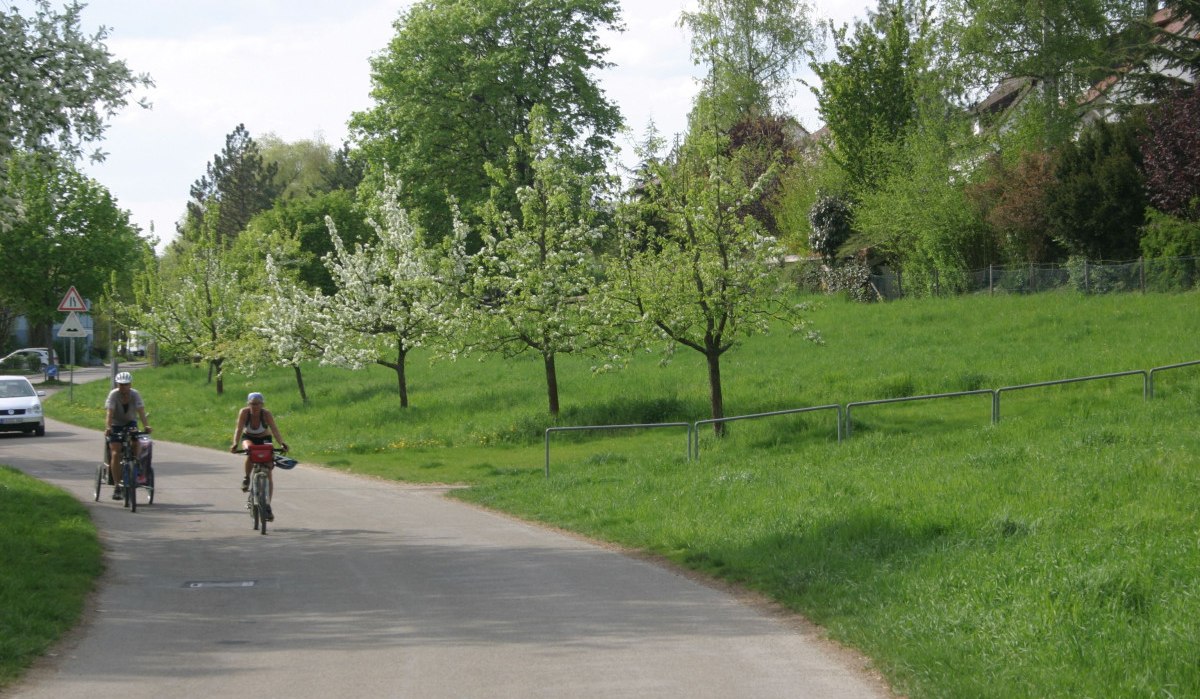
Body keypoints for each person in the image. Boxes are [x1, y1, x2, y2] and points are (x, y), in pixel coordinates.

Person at [230, 392, 288, 519]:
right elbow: (239, 429)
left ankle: (267, 505)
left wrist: (282, 443)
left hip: (264, 438)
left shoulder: (266, 414)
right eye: (252, 404)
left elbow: (274, 429)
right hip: (248, 437)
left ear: (262, 404)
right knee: (249, 450)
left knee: (268, 471)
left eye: (257, 404)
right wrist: (235, 444)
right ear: (248, 404)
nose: (254, 407)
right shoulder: (244, 413)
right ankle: (247, 478)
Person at [105, 371, 151, 500]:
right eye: (121, 385)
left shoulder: (135, 394)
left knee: (136, 441)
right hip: (116, 423)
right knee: (115, 452)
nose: (123, 387)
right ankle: (117, 486)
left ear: (130, 384)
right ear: (117, 384)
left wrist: (146, 426)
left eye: (126, 384)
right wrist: (108, 427)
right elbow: (109, 413)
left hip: (130, 422)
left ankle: (135, 464)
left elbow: (141, 411)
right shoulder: (113, 395)